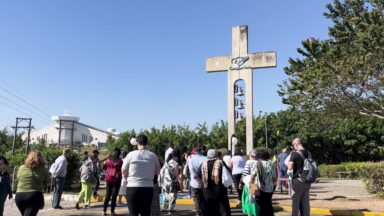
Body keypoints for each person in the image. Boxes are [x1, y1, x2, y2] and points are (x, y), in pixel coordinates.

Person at [122, 134, 161, 216]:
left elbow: (124, 170)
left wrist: (128, 175)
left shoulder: (131, 155)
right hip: (148, 187)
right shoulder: (153, 156)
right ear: (147, 143)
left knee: (133, 213)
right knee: (145, 213)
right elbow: (157, 171)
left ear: (137, 143)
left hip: (132, 187)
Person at [15, 150, 49, 216]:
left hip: (19, 196)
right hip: (33, 196)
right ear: (40, 158)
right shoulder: (42, 168)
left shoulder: (21, 167)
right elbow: (47, 182)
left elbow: (18, 178)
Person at [199, 149, 231, 216]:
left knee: (210, 210)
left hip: (207, 191)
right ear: (216, 155)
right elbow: (228, 172)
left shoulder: (203, 164)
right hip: (219, 190)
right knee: (222, 209)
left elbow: (198, 176)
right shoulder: (220, 162)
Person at [287, 138, 311, 216]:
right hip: (307, 180)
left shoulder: (294, 153)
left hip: (297, 180)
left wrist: (288, 163)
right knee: (305, 202)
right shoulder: (308, 153)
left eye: (293, 145)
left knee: (295, 202)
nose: (293, 147)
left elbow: (290, 167)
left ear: (296, 144)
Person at [250, 149, 277, 216]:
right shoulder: (272, 164)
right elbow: (274, 177)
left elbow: (252, 176)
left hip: (260, 188)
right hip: (270, 189)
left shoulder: (257, 164)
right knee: (268, 204)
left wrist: (251, 187)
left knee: (261, 206)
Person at [103, 148, 123, 216]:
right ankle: (112, 212)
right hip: (117, 180)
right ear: (119, 154)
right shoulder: (120, 161)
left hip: (108, 179)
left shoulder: (108, 160)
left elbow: (104, 168)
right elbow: (121, 170)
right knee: (114, 196)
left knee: (107, 196)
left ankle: (104, 211)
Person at [188, 147, 206, 216]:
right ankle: (204, 212)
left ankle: (198, 213)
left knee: (196, 199)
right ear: (201, 151)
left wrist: (197, 179)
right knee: (204, 198)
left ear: (195, 152)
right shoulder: (205, 158)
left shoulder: (191, 160)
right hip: (204, 182)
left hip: (194, 183)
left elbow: (192, 171)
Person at [240, 149, 258, 216]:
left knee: (249, 200)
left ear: (250, 155)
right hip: (256, 183)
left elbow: (245, 173)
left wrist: (240, 182)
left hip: (250, 183)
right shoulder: (258, 162)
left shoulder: (249, 162)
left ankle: (251, 213)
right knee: (255, 200)